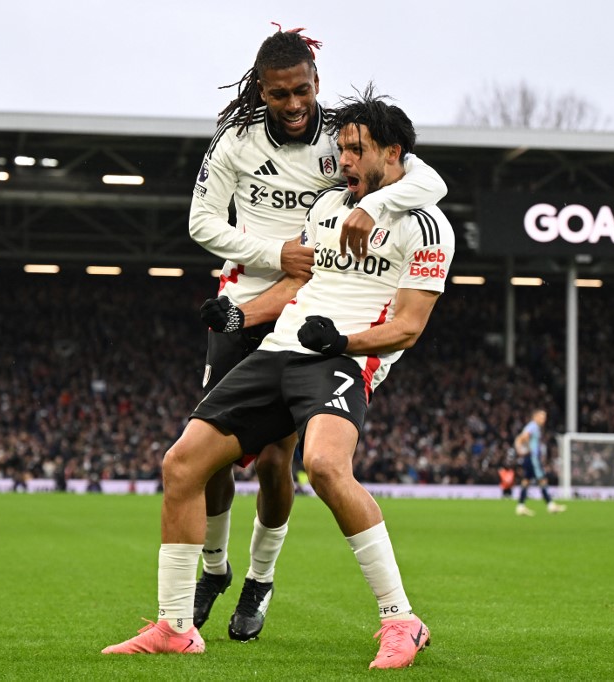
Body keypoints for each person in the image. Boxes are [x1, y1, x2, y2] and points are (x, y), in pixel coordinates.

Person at [104, 87, 449, 669]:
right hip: (279, 348)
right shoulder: (328, 208)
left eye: (355, 150)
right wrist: (242, 313)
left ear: (393, 154)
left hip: (341, 360)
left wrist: (341, 342)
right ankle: (175, 625)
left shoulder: (427, 226)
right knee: (182, 463)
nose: (341, 161)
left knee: (323, 467)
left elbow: (409, 328)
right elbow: (297, 287)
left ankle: (402, 621)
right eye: (339, 148)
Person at [185, 24, 447, 641]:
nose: (296, 105)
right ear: (262, 91)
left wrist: (374, 207)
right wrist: (275, 252)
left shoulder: (345, 136)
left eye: (303, 91)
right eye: (281, 95)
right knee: (209, 459)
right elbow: (200, 223)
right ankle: (214, 568)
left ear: (316, 84)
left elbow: (427, 181)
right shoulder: (235, 141)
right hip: (248, 296)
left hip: (309, 306)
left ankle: (258, 579)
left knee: (277, 462)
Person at [514, 409, 566, 516]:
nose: (544, 419)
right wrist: (525, 450)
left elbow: (519, 439)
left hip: (529, 457)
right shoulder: (533, 426)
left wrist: (521, 449)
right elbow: (522, 438)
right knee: (542, 480)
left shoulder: (532, 426)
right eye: (542, 417)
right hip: (533, 458)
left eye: (545, 417)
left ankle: (520, 506)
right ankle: (550, 505)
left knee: (526, 481)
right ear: (535, 416)